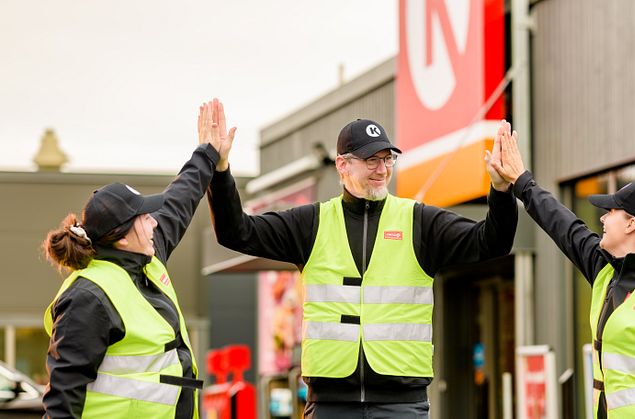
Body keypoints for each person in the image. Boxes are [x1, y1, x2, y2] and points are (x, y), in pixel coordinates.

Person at [207, 113, 519, 418]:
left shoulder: (419, 221)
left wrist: (502, 191)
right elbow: (237, 233)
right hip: (330, 404)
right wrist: (220, 169)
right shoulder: (311, 224)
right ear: (342, 164)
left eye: (387, 159)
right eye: (372, 160)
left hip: (401, 406)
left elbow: (490, 243)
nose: (382, 169)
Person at [490, 123, 635, 418]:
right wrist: (522, 182)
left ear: (631, 224)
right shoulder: (607, 271)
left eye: (611, 211)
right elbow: (564, 226)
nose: (603, 218)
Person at [41, 98, 235, 419]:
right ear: (121, 236)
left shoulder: (145, 253)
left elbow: (180, 198)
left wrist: (208, 152)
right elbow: (63, 398)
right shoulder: (88, 297)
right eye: (144, 217)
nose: (155, 221)